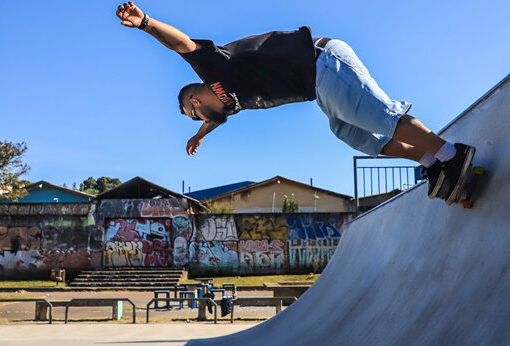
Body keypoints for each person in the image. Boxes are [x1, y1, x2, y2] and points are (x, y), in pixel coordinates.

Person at [115, 2, 475, 205]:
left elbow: (182, 45)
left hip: (323, 61)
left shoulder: (213, 67)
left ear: (195, 100)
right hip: (320, 86)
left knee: (374, 116)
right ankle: (430, 161)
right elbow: (215, 120)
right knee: (351, 133)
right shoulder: (229, 106)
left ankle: (450, 153)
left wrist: (145, 23)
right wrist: (200, 136)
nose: (197, 119)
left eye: (191, 114)